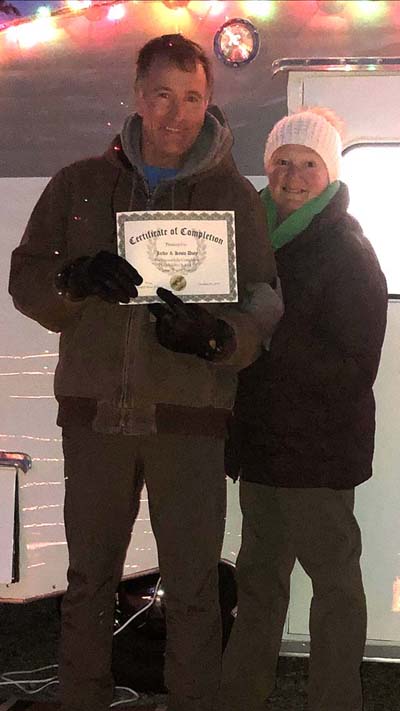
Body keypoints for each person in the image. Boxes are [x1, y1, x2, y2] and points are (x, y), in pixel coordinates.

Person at [8, 34, 282, 711]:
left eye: (193, 98)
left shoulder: (233, 196)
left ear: (208, 102)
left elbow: (266, 301)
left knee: (192, 588)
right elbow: (26, 279)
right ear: (137, 95)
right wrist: (74, 278)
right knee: (88, 581)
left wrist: (218, 335)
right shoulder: (80, 183)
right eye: (162, 94)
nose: (176, 113)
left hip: (189, 418)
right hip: (96, 414)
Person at [218, 108, 388, 711]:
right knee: (258, 582)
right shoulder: (250, 237)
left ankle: (336, 700)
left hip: (318, 455)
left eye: (307, 164)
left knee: (334, 586)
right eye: (282, 163)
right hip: (261, 449)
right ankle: (239, 696)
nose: (292, 175)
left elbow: (354, 363)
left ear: (330, 172)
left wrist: (265, 339)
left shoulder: (347, 248)